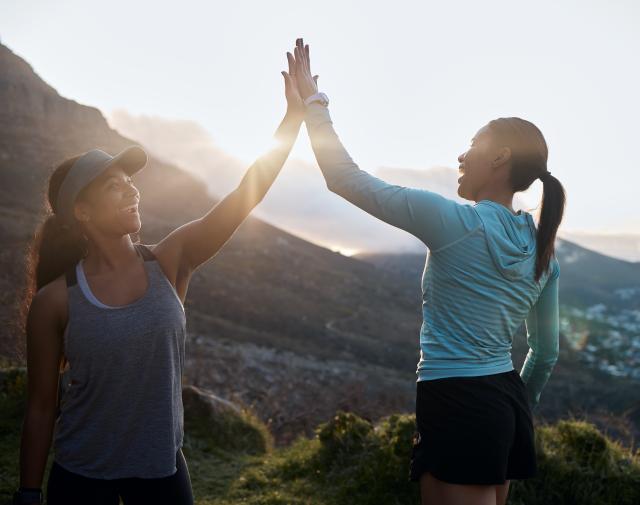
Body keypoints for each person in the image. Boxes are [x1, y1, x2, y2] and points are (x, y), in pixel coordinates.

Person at [12, 51, 307, 505]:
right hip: (82, 481)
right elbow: (40, 407)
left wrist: (292, 120)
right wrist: (29, 493)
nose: (131, 188)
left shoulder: (171, 258)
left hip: (163, 475)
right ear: (81, 213)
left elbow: (244, 195)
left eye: (128, 180)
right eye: (113, 184)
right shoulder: (55, 302)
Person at [291, 38, 564, 505]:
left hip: (457, 400)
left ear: (500, 158)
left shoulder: (454, 223)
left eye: (474, 144)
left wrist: (314, 105)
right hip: (504, 403)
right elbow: (546, 353)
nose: (462, 155)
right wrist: (516, 406)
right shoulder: (543, 251)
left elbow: (345, 178)